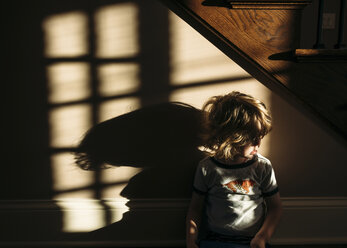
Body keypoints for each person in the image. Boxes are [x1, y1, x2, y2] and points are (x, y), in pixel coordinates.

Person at [186, 92, 282, 248]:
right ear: (230, 138)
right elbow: (195, 208)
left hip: (252, 243)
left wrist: (262, 237)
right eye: (252, 138)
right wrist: (191, 241)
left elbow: (275, 207)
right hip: (215, 241)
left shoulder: (262, 167)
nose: (258, 142)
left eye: (260, 136)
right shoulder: (207, 168)